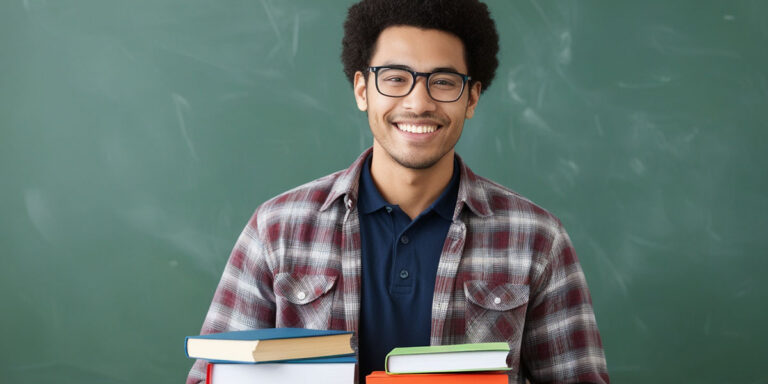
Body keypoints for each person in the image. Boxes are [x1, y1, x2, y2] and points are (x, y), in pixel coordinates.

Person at [187, 0, 609, 383]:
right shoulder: (276, 229)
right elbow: (209, 377)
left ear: (472, 98)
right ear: (361, 90)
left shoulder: (537, 239)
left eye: (443, 82)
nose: (418, 102)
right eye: (395, 78)